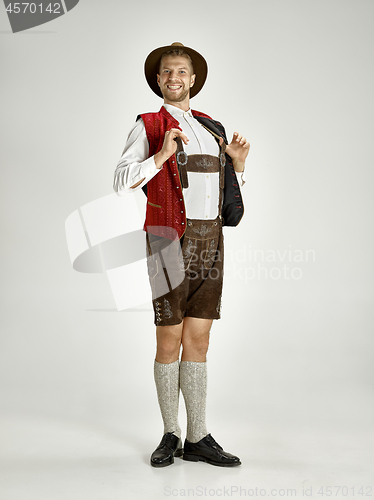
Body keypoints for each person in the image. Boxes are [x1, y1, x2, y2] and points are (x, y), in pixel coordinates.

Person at [113, 42, 250, 467]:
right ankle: (170, 433)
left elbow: (224, 198)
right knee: (169, 335)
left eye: (181, 72)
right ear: (159, 80)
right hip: (167, 237)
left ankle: (198, 437)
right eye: (166, 72)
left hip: (211, 240)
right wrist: (161, 155)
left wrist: (239, 166)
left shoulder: (213, 129)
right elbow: (121, 182)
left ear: (193, 80)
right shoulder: (149, 124)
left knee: (201, 337)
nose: (174, 77)